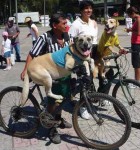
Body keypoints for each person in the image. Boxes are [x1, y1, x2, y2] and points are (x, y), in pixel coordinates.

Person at [20, 13, 72, 144]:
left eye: (66, 23)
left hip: (63, 75)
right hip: (49, 75)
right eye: (64, 23)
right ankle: (51, 129)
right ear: (55, 25)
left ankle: (58, 119)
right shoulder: (45, 37)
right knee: (52, 103)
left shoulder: (67, 36)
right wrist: (26, 70)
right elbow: (32, 54)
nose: (67, 25)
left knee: (63, 100)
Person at [69, 0, 98, 120]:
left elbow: (94, 41)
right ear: (81, 10)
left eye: (90, 8)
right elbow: (71, 42)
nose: (89, 10)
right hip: (80, 57)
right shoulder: (76, 24)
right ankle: (83, 108)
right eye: (86, 8)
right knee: (85, 82)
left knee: (90, 80)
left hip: (92, 54)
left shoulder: (93, 22)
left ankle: (86, 101)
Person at [126, 6, 140, 81]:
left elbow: (139, 33)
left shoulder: (139, 19)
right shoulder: (139, 19)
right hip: (135, 42)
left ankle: (137, 82)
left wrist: (130, 31)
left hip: (137, 43)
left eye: (130, 15)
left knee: (136, 63)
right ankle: (137, 80)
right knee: (135, 63)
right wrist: (131, 29)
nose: (130, 17)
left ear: (133, 13)